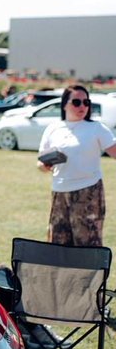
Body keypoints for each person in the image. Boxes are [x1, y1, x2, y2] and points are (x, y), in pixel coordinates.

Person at [38, 84, 116, 246]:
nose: (82, 106)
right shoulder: (53, 129)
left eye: (86, 102)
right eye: (76, 102)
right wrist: (44, 166)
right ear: (64, 105)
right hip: (59, 192)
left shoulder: (96, 128)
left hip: (88, 191)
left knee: (87, 244)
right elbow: (40, 161)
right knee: (58, 244)